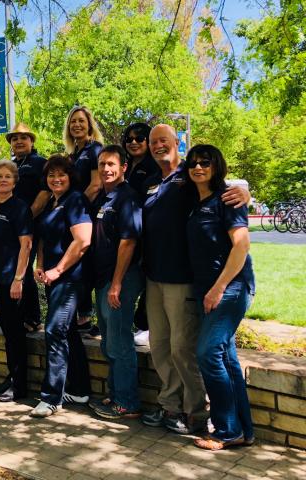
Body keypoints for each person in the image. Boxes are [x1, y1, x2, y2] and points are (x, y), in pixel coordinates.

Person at [140, 124, 249, 434]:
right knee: (159, 346)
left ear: (177, 142)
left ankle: (196, 412)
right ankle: (170, 407)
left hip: (183, 279)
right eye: (153, 142)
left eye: (164, 140)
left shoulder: (188, 178)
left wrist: (245, 191)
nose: (158, 145)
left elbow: (224, 188)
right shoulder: (150, 182)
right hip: (154, 278)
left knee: (181, 348)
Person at [185, 145, 255, 450]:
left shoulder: (227, 199)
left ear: (217, 166)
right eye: (193, 163)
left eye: (205, 163)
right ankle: (243, 431)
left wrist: (218, 287)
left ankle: (227, 430)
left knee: (207, 352)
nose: (198, 167)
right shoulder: (197, 201)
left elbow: (241, 247)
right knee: (226, 357)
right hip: (209, 290)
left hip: (231, 287)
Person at [30, 154, 92, 417]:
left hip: (70, 279)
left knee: (55, 330)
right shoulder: (53, 202)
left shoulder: (75, 200)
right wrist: (41, 264)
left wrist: (57, 270)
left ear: (71, 176)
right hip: (53, 277)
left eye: (61, 174)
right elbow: (44, 237)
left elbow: (83, 241)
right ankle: (79, 389)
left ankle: (52, 397)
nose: (56, 179)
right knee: (68, 333)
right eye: (51, 175)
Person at [87, 146, 144, 419]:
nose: (106, 169)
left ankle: (127, 403)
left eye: (111, 164)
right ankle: (115, 394)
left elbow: (129, 241)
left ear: (123, 168)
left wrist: (118, 283)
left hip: (120, 279)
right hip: (103, 279)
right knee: (109, 340)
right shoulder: (104, 197)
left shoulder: (128, 198)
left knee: (120, 341)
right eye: (101, 164)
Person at [0, 160, 33, 402]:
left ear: (15, 181)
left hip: (15, 281)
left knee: (15, 334)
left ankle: (19, 387)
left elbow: (26, 244)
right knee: (7, 331)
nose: (3, 180)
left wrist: (18, 279)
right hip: (1, 279)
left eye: (8, 176)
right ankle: (11, 377)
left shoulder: (19, 207)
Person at [63, 105, 104, 335]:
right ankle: (81, 315)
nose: (76, 125)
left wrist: (75, 209)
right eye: (72, 122)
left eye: (81, 121)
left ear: (89, 124)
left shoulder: (95, 149)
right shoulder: (73, 153)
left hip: (88, 215)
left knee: (89, 266)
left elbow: (96, 185)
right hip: (75, 215)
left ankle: (88, 317)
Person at [121, 122, 161, 347]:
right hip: (127, 234)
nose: (134, 142)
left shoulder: (156, 165)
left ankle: (147, 326)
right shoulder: (125, 166)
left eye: (139, 138)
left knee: (149, 280)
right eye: (129, 138)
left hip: (149, 234)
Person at [5, 122, 46, 334]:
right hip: (12, 227)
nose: (18, 141)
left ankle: (33, 317)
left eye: (23, 138)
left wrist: (26, 217)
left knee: (26, 270)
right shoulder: (11, 165)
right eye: (14, 139)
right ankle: (22, 314)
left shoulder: (40, 163)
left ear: (31, 141)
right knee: (16, 268)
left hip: (31, 225)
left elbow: (45, 192)